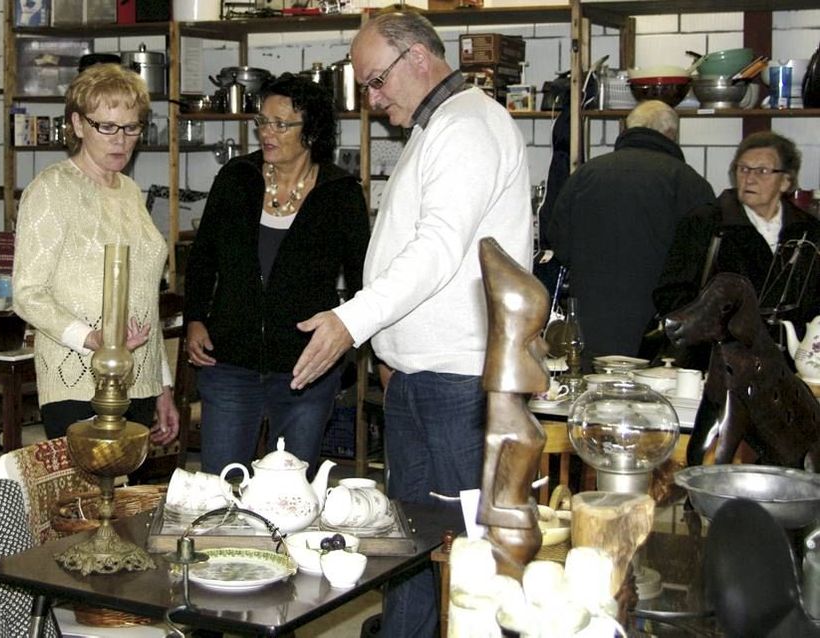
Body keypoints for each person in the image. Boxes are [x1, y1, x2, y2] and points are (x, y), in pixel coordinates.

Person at [290, 12, 532, 637]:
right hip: (423, 381)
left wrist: (352, 321)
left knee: (462, 557)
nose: (372, 100)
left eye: (375, 82)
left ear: (418, 57)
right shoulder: (437, 127)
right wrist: (391, 351)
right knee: (409, 549)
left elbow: (437, 249)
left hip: (455, 387)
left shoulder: (468, 126)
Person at [183, 73, 370, 476]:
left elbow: (362, 282)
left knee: (291, 492)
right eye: (262, 122)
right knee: (221, 485)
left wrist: (348, 348)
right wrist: (195, 318)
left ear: (312, 131)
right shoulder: (236, 178)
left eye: (281, 124)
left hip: (306, 368)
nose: (267, 132)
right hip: (229, 361)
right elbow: (202, 256)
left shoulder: (341, 192)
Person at [12, 63, 179, 451]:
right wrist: (92, 338)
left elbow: (143, 300)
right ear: (78, 124)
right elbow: (28, 293)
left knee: (127, 505)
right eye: (107, 126)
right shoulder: (52, 189)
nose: (120, 140)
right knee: (88, 506)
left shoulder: (129, 192)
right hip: (79, 382)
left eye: (131, 127)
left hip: (138, 378)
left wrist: (162, 386)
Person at [547, 100, 715, 367]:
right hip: (657, 338)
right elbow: (703, 267)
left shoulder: (585, 175)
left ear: (626, 128)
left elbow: (559, 245)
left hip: (590, 331)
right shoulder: (690, 183)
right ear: (671, 134)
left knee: (593, 403)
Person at [654, 130, 820, 360]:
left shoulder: (807, 231)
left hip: (786, 363)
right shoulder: (708, 223)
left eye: (762, 171)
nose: (750, 179)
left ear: (786, 181)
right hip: (716, 361)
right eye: (743, 169)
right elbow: (671, 294)